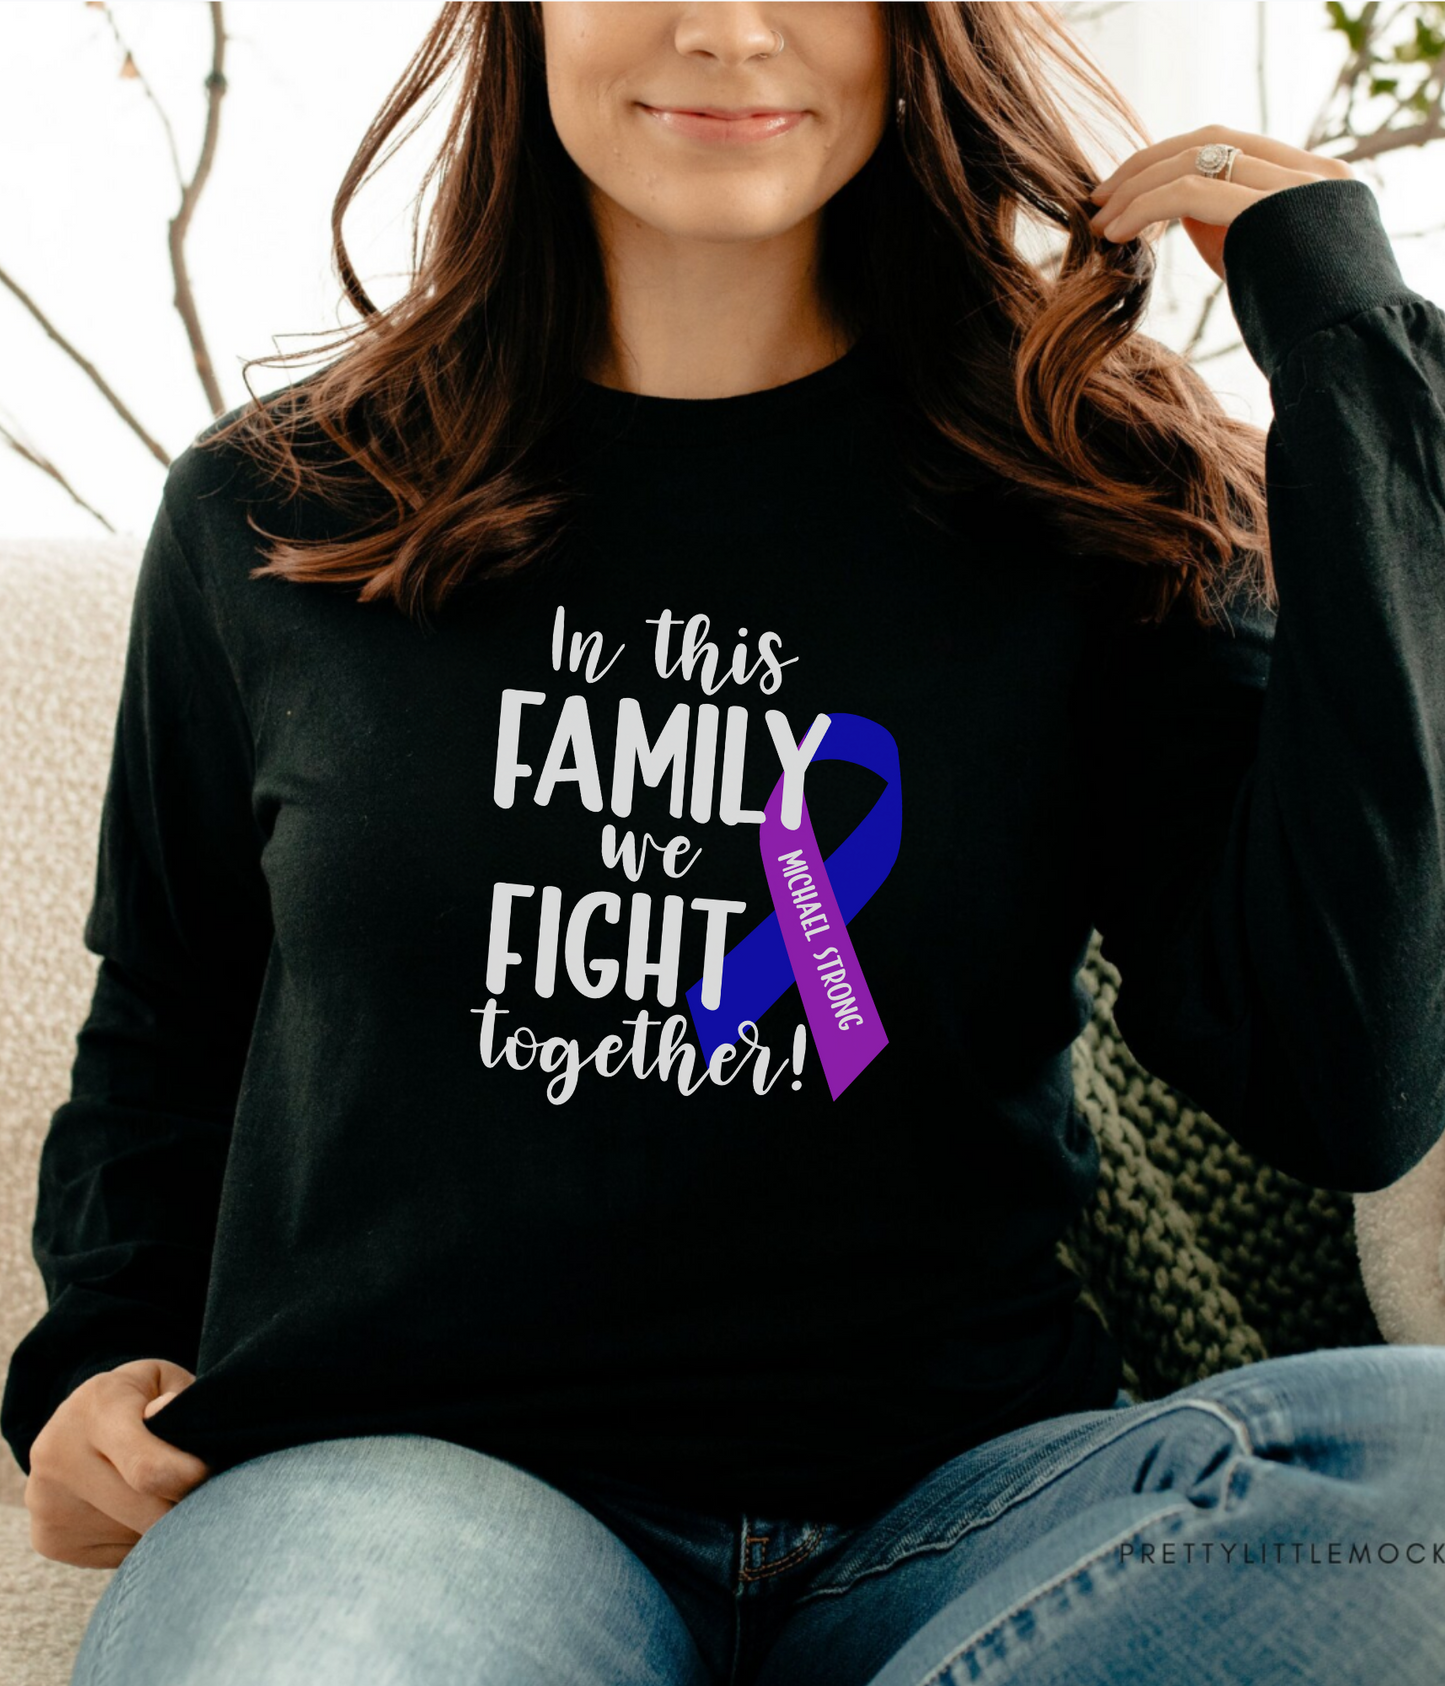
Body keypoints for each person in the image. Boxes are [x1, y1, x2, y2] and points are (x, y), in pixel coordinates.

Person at [5, 3, 1445, 1682]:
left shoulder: (1090, 506)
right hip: (420, 1496)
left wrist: (1351, 345)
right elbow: (173, 1014)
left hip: (968, 1529)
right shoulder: (289, 510)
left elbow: (1352, 1074)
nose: (727, 28)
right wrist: (88, 1358)